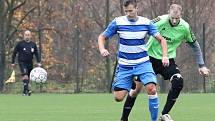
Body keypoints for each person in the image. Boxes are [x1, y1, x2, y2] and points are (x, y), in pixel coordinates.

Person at [120, 4, 210, 121]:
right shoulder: (160, 21)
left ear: (180, 16)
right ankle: (124, 118)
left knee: (178, 82)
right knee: (135, 90)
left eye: (176, 18)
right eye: (172, 17)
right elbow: (142, 28)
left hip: (167, 61)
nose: (174, 20)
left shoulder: (185, 27)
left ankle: (164, 114)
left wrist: (202, 65)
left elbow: (195, 45)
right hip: (149, 59)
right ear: (168, 13)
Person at [98, 0, 169, 121]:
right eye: (126, 11)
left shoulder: (146, 22)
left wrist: (165, 55)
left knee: (151, 89)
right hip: (125, 65)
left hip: (143, 63)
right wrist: (102, 49)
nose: (128, 14)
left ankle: (154, 119)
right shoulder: (118, 22)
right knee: (118, 98)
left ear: (137, 8)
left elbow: (161, 39)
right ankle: (131, 82)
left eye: (130, 11)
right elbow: (102, 36)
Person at [11, 30, 41, 96]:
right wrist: (13, 62)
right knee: (25, 75)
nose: (27, 36)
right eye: (26, 34)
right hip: (22, 62)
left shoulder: (33, 44)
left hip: (30, 63)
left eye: (28, 35)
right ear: (24, 35)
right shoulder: (20, 44)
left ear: (30, 36)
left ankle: (26, 90)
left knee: (28, 77)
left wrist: (38, 62)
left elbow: (36, 53)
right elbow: (14, 52)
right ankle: (25, 91)